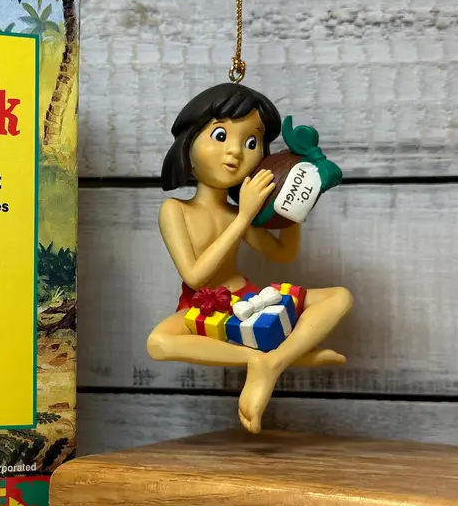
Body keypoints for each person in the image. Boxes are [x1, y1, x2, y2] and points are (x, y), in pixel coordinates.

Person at [146, 82, 353, 433]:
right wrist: (243, 216)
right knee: (158, 342)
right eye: (220, 135)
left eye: (252, 143)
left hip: (248, 299)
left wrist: (294, 207)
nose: (235, 152)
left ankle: (275, 361)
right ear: (188, 142)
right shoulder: (175, 210)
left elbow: (284, 254)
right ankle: (260, 357)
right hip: (203, 305)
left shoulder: (236, 212)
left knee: (339, 297)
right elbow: (195, 276)